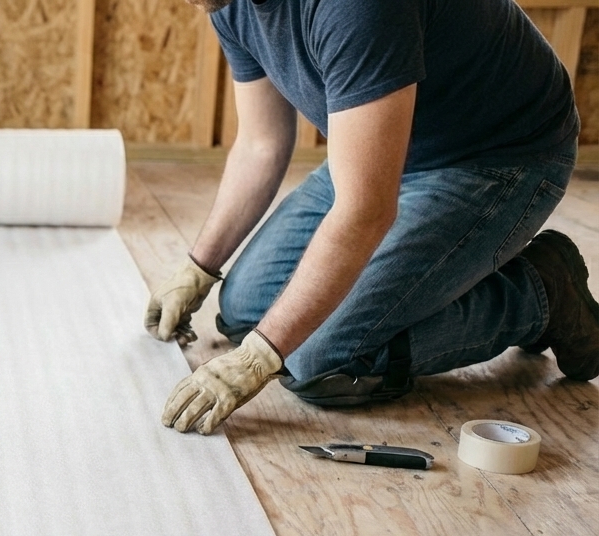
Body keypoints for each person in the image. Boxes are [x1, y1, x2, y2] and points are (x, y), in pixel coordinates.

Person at [149, 0, 599, 435]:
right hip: (379, 147)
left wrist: (257, 357)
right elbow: (260, 144)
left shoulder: (356, 5)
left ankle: (538, 294)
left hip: (493, 157)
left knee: (315, 362)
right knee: (245, 309)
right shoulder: (226, 2)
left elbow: (365, 210)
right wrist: (198, 269)